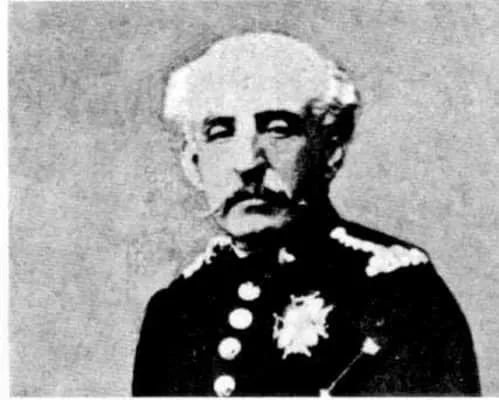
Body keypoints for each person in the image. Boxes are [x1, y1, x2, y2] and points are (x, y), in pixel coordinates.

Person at [132, 32, 480, 396]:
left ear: (331, 150)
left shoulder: (396, 295)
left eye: (278, 130)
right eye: (220, 133)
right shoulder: (175, 312)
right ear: (192, 164)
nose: (247, 163)